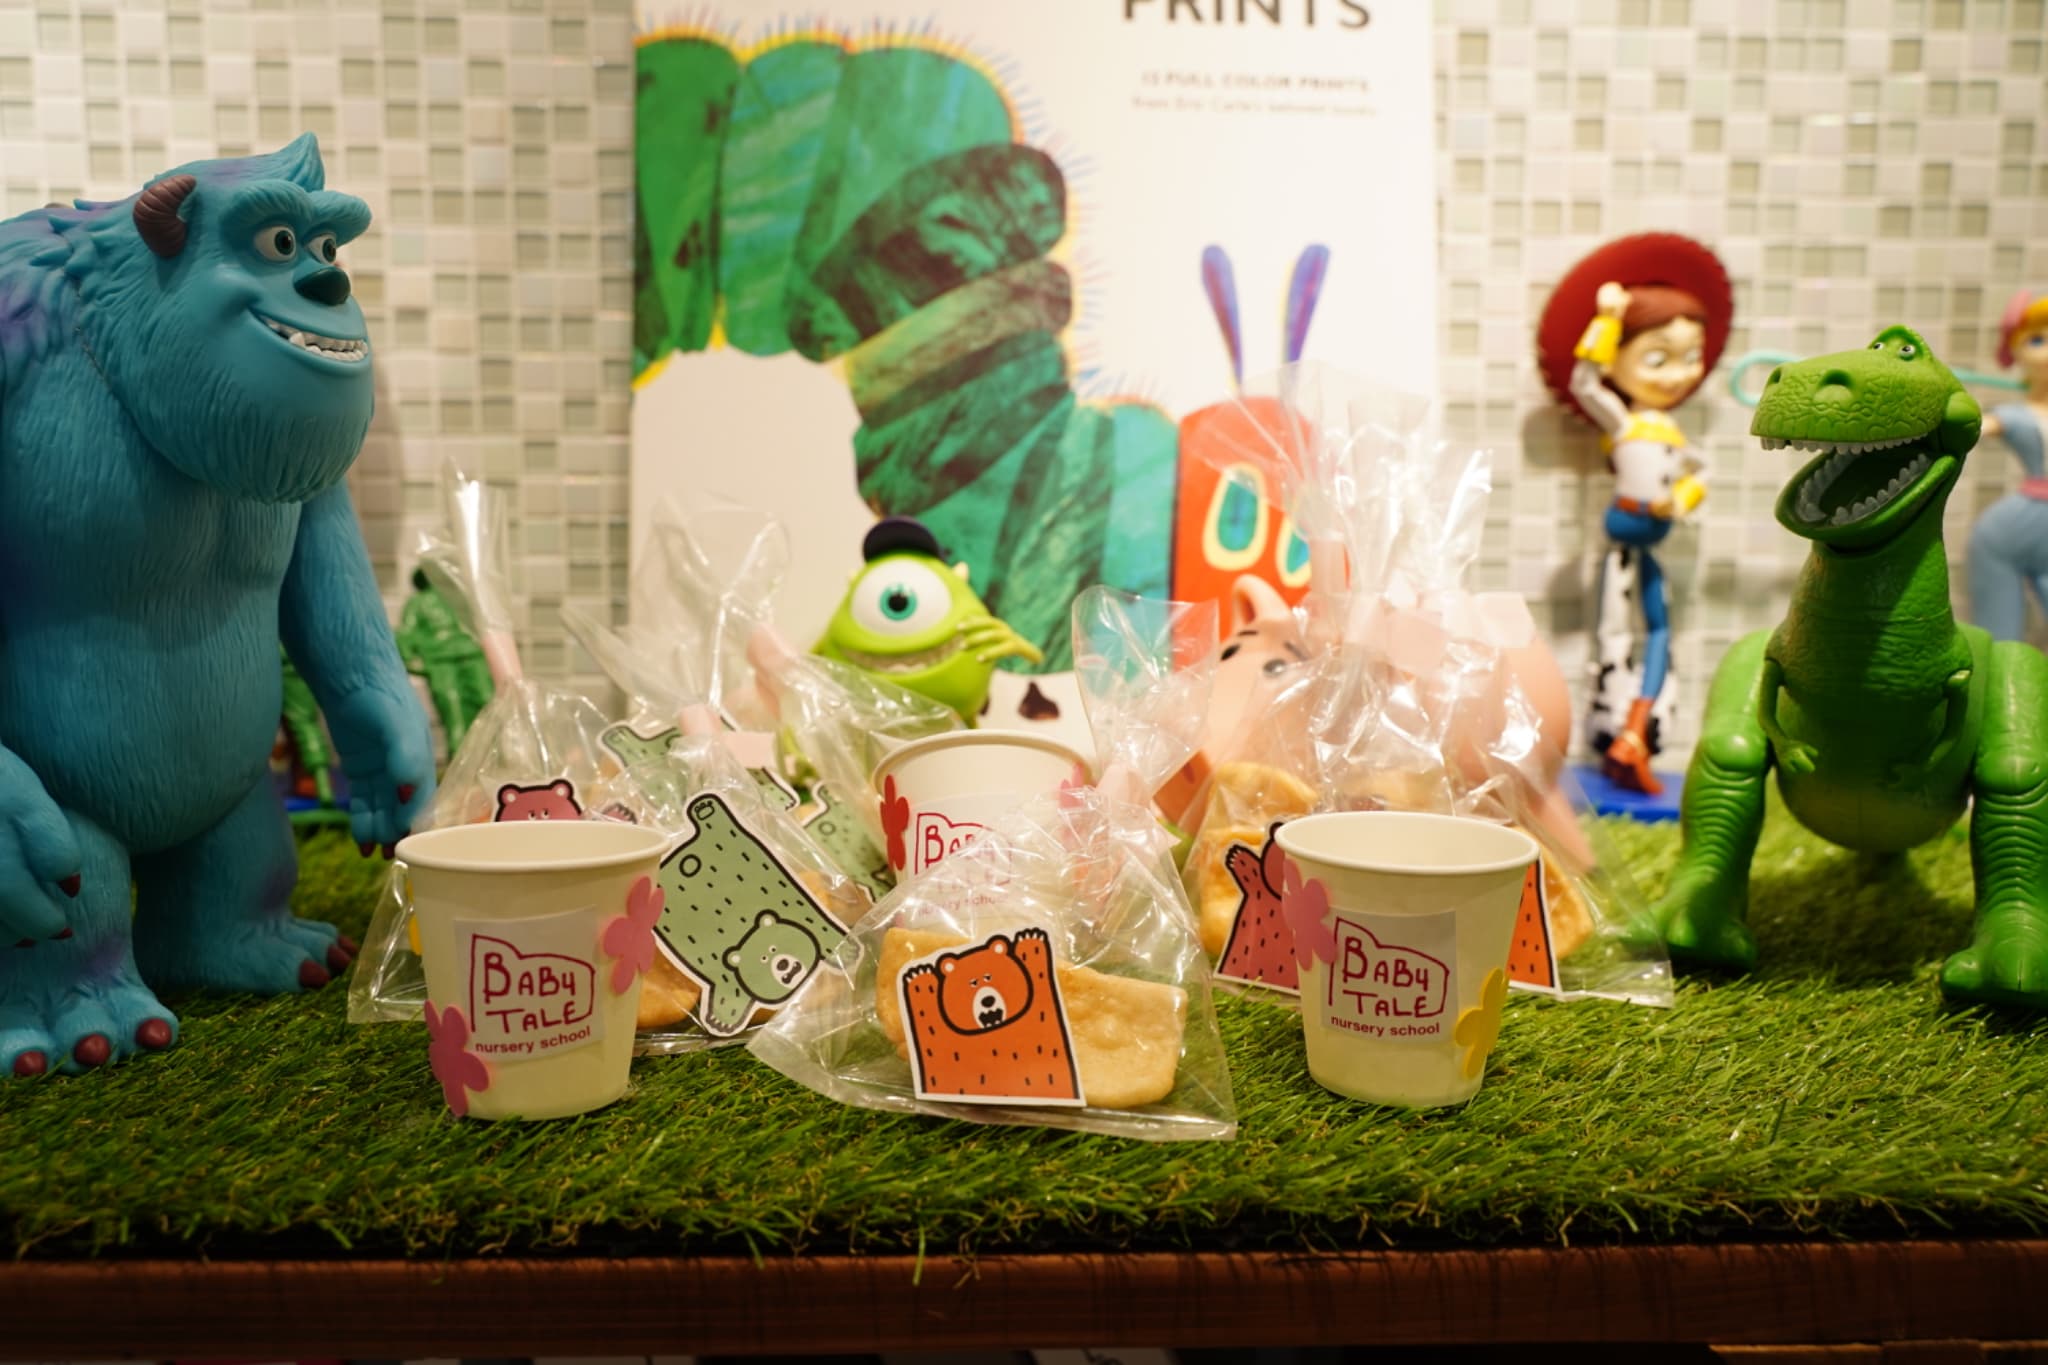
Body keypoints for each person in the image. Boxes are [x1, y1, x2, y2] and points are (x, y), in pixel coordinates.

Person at [1538, 235, 1733, 798]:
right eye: (1656, 359)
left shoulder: (1670, 433)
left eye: (1690, 359)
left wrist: (1683, 498)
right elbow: (1584, 382)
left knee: (1660, 632)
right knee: (1612, 633)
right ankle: (1614, 731)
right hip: (1622, 538)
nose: (1675, 376)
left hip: (1653, 541)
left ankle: (1638, 729)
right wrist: (1606, 320)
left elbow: (1705, 469)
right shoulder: (1622, 423)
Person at [1966, 288, 2048, 643]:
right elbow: (1978, 428)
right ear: (2015, 350)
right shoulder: (2015, 416)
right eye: (2037, 340)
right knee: (1999, 634)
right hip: (2009, 532)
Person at [396, 568, 494, 752]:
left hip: (473, 657)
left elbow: (486, 627)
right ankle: (461, 764)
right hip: (441, 662)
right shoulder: (418, 602)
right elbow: (405, 635)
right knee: (454, 713)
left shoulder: (463, 599)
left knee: (487, 705)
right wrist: (412, 661)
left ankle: (491, 758)